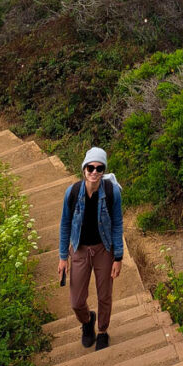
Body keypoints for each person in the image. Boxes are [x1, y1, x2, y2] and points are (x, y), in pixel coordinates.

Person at [58, 146, 123, 350]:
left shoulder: (112, 193)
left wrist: (118, 257)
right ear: (84, 169)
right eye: (90, 168)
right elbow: (65, 224)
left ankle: (102, 331)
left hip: (104, 249)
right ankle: (88, 322)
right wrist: (62, 256)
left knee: (104, 295)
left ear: (103, 171)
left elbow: (117, 224)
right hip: (79, 248)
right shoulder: (73, 192)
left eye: (99, 168)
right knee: (77, 301)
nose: (94, 172)